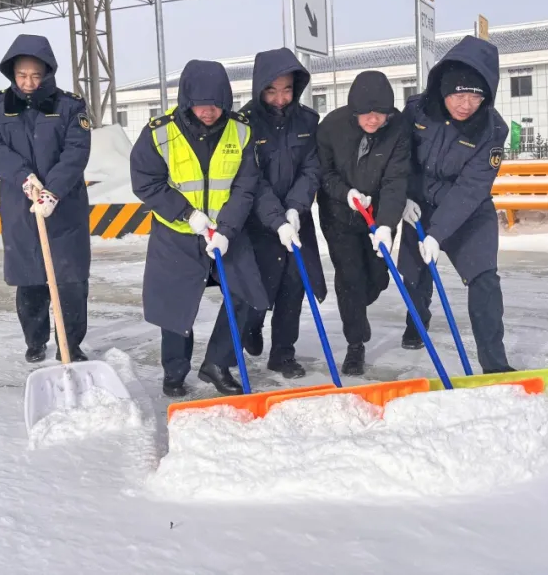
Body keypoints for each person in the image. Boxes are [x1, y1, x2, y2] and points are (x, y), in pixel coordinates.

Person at [130, 59, 270, 397]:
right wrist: (187, 214)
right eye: (201, 104)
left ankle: (217, 364)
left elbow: (245, 186)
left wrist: (227, 229)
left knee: (247, 295)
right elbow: (145, 182)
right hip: (176, 233)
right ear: (186, 101)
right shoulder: (159, 133)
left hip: (226, 232)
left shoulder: (241, 130)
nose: (209, 112)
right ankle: (175, 371)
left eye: (217, 104)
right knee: (174, 306)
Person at [395, 37, 515, 374]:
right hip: (417, 205)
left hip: (468, 211)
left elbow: (472, 187)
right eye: (459, 95)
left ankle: (494, 363)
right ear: (443, 89)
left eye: (476, 96)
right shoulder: (417, 110)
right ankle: (417, 323)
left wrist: (438, 233)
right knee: (414, 274)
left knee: (484, 279)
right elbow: (397, 157)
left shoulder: (492, 129)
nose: (466, 105)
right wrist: (401, 197)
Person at [0, 33, 93, 363]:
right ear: (12, 73)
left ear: (48, 73)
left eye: (36, 75)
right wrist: (24, 178)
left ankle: (70, 345)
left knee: (70, 280)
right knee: (30, 280)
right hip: (21, 205)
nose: (28, 83)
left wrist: (53, 191)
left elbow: (76, 151)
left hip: (65, 206)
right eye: (22, 75)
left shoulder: (69, 106)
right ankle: (35, 340)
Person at [238, 48, 327, 379]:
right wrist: (276, 217)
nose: (280, 98)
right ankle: (252, 325)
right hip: (258, 221)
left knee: (293, 286)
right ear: (259, 88)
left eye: (287, 90)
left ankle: (283, 354)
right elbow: (251, 179)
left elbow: (311, 168)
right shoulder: (244, 124)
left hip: (296, 218)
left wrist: (295, 208)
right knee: (259, 285)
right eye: (272, 90)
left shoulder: (307, 121)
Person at [316, 70, 411, 375]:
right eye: (366, 113)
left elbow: (396, 180)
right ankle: (355, 343)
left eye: (380, 113)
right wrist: (346, 194)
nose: (373, 120)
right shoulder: (331, 127)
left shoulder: (398, 130)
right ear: (354, 110)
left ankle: (361, 300)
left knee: (377, 278)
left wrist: (386, 225)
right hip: (338, 213)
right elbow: (324, 173)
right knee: (350, 278)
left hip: (378, 213)